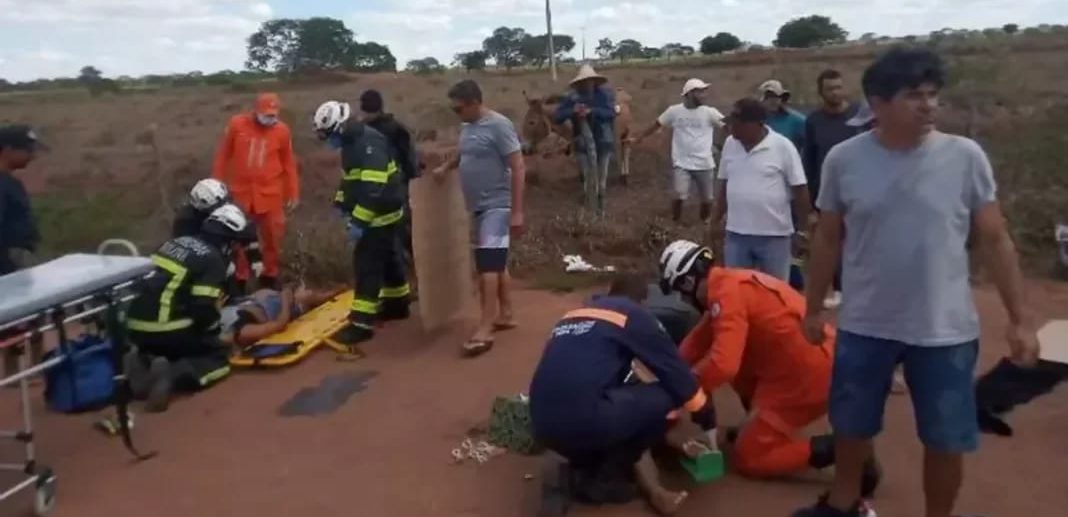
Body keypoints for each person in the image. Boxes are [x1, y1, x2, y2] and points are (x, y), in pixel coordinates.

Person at [794, 47, 1038, 517]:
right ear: (878, 104)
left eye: (932, 95)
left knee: (945, 436)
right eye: (913, 96)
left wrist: (1019, 320)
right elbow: (827, 239)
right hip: (866, 323)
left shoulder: (964, 157)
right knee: (851, 424)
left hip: (943, 329)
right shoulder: (845, 161)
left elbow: (995, 238)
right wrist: (812, 306)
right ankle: (845, 502)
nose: (928, 106)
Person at [657, 240, 881, 493]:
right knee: (733, 361)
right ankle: (761, 427)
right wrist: (668, 379)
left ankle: (847, 451)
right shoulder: (730, 284)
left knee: (748, 458)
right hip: (813, 361)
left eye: (680, 291)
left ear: (688, 282)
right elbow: (696, 343)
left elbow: (723, 365)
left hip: (809, 375)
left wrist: (688, 391)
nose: (683, 300)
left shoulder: (725, 295)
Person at [529, 274, 714, 516]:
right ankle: (607, 479)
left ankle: (584, 466)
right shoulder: (633, 316)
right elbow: (675, 372)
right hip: (583, 420)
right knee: (667, 396)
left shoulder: (575, 315)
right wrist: (704, 411)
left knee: (609, 402)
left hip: (540, 421)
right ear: (642, 301)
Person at [124, 203, 258, 412]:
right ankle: (173, 375)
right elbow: (203, 309)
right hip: (166, 329)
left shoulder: (174, 243)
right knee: (220, 356)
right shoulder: (213, 259)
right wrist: (215, 333)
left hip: (135, 325)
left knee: (178, 340)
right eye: (235, 244)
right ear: (227, 241)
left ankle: (143, 363)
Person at [431, 80, 526, 357]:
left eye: (459, 108)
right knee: (495, 261)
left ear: (474, 102)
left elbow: (518, 167)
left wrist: (518, 211)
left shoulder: (499, 125)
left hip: (498, 205)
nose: (456, 113)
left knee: (487, 266)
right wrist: (445, 167)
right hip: (479, 207)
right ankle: (506, 313)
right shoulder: (468, 127)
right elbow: (464, 153)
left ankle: (485, 326)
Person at [313, 100, 411, 352]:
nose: (329, 141)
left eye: (330, 135)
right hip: (383, 211)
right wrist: (341, 200)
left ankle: (361, 325)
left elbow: (372, 189)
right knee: (389, 259)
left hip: (379, 213)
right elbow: (353, 179)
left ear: (341, 126)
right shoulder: (352, 143)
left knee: (367, 266)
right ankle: (397, 304)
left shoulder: (368, 144)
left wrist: (358, 221)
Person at [714, 98, 811, 281]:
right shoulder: (730, 145)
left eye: (737, 124)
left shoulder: (783, 147)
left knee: (775, 291)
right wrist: (714, 221)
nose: (732, 128)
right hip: (736, 234)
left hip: (774, 236)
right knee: (737, 289)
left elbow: (800, 189)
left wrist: (803, 231)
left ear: (756, 124)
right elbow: (724, 185)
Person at [212, 92, 300, 292]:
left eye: (274, 115)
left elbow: (289, 164)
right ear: (256, 111)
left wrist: (293, 193)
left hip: (270, 195)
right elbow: (223, 155)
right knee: (238, 238)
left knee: (272, 237)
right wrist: (216, 184)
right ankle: (241, 277)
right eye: (267, 115)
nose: (271, 119)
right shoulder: (237, 125)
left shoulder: (282, 131)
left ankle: (269, 275)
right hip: (240, 194)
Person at [803, 70, 861, 309]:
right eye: (830, 89)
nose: (836, 92)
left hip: (859, 191)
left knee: (861, 242)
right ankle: (839, 290)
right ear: (821, 92)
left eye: (838, 87)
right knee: (833, 243)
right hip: (828, 194)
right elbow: (810, 162)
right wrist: (811, 203)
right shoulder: (814, 121)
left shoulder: (859, 117)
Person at [631, 78, 726, 223]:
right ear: (688, 94)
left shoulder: (710, 113)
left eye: (704, 92)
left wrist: (719, 146)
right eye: (699, 92)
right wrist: (639, 138)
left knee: (707, 198)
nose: (704, 95)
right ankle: (675, 221)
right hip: (682, 162)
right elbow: (656, 125)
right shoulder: (674, 111)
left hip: (705, 162)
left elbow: (728, 127)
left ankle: (705, 222)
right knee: (679, 195)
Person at [360, 89, 420, 282]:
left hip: (376, 192)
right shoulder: (396, 128)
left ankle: (406, 279)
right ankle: (412, 279)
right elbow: (409, 159)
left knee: (392, 238)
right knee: (402, 236)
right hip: (396, 189)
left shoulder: (362, 131)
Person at [553, 64, 617, 215]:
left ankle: (601, 210)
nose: (587, 84)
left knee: (602, 180)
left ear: (594, 81)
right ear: (579, 83)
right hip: (581, 143)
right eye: (584, 81)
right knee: (587, 178)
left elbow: (610, 113)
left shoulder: (604, 95)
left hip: (603, 141)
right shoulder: (572, 97)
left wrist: (592, 111)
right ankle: (590, 209)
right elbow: (557, 116)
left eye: (590, 81)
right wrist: (572, 111)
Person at [219, 284, 347, 348]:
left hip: (257, 301)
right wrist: (285, 300)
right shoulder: (243, 331)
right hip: (278, 308)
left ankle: (333, 291)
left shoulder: (216, 319)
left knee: (300, 292)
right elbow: (280, 324)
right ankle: (334, 293)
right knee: (305, 296)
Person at [0, 125, 44, 276]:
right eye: (28, 150)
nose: (33, 156)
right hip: (10, 264)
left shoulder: (9, 182)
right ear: (7, 151)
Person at [759, 79, 806, 152]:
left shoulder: (797, 120)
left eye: (778, 96)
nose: (774, 100)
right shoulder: (754, 121)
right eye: (769, 96)